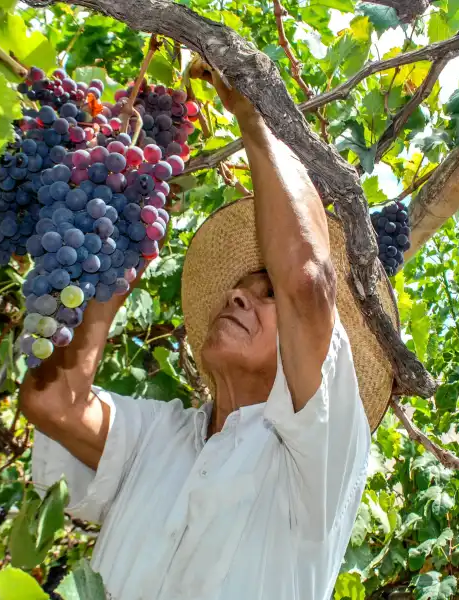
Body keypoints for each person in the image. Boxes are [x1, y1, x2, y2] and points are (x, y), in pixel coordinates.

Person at [21, 61, 396, 600]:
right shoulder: (157, 436)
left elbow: (309, 282)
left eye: (268, 293)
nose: (240, 295)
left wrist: (254, 114)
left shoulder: (319, 454)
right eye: (240, 287)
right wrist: (116, 262)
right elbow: (54, 402)